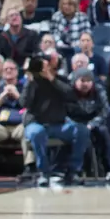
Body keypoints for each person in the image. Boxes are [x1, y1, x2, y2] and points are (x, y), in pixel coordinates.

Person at [21, 55, 90, 187]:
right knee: (37, 133)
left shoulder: (61, 80)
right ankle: (44, 172)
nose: (44, 69)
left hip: (59, 125)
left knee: (82, 130)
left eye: (46, 65)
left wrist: (52, 79)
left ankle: (73, 171)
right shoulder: (32, 82)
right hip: (36, 123)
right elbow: (24, 103)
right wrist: (30, 81)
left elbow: (71, 95)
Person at [0, 59, 34, 183]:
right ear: (2, 72)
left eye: (11, 69)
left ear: (17, 72)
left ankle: (29, 167)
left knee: (29, 128)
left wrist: (16, 94)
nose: (8, 71)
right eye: (5, 69)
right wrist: (2, 96)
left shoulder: (25, 87)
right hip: (1, 127)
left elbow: (31, 108)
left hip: (19, 125)